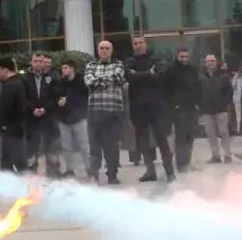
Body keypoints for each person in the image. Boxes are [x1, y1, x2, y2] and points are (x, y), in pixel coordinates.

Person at [125, 36, 175, 183]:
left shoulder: (156, 58)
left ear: (145, 44)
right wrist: (148, 74)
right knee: (143, 141)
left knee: (162, 139)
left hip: (155, 105)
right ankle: (150, 171)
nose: (138, 45)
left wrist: (139, 75)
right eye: (135, 43)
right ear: (133, 46)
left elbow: (160, 74)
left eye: (141, 43)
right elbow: (130, 77)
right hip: (138, 107)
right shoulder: (129, 62)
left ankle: (170, 172)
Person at [84, 41, 125, 185]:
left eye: (107, 48)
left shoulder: (118, 64)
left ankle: (112, 175)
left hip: (112, 112)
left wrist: (98, 81)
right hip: (94, 112)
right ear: (97, 50)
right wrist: (105, 81)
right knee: (94, 146)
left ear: (111, 51)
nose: (104, 51)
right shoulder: (91, 65)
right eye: (101, 48)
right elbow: (88, 82)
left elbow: (118, 77)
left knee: (111, 146)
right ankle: (94, 175)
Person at [21, 53, 60, 178]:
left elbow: (54, 97)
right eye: (35, 61)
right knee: (32, 147)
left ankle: (52, 174)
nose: (38, 63)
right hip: (31, 117)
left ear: (44, 63)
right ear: (31, 62)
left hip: (48, 117)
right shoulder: (24, 78)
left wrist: (45, 109)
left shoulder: (51, 78)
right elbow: (23, 97)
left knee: (51, 145)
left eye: (40, 61)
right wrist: (32, 109)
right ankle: (32, 173)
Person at [162, 47, 200, 172]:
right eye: (182, 56)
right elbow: (165, 90)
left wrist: (197, 103)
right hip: (179, 109)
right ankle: (181, 164)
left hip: (192, 107)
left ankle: (188, 162)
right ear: (177, 56)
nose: (184, 59)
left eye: (186, 56)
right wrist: (172, 105)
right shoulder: (171, 71)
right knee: (181, 137)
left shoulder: (193, 70)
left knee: (190, 136)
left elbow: (197, 86)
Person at [52, 60, 88, 179]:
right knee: (66, 146)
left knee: (85, 146)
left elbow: (83, 96)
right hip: (64, 119)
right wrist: (59, 101)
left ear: (72, 68)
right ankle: (69, 169)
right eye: (62, 68)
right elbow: (56, 96)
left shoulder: (81, 80)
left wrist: (68, 100)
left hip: (79, 118)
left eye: (66, 68)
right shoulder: (61, 82)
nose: (64, 71)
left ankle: (90, 170)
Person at [198, 53, 234, 164]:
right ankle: (215, 156)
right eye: (209, 61)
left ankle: (227, 155)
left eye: (213, 60)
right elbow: (197, 91)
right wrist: (200, 104)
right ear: (205, 63)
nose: (211, 63)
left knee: (223, 132)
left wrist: (225, 102)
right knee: (210, 134)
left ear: (216, 62)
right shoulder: (201, 76)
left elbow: (229, 91)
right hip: (207, 110)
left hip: (221, 109)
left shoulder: (223, 75)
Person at [0, 58, 27, 174]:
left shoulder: (9, 85)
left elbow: (6, 109)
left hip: (10, 131)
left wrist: (1, 126)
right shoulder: (18, 82)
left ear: (5, 69)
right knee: (8, 162)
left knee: (15, 162)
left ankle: (28, 187)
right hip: (17, 129)